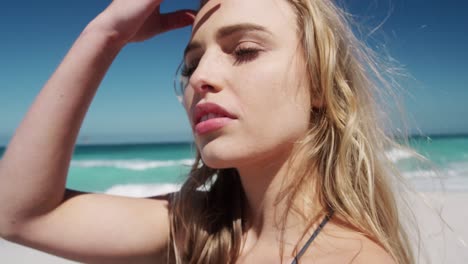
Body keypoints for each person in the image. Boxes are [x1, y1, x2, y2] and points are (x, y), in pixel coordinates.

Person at [0, 0, 414, 263]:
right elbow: (18, 215)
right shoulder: (203, 228)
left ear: (320, 85)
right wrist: (104, 35)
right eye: (190, 65)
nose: (201, 78)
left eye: (245, 51)